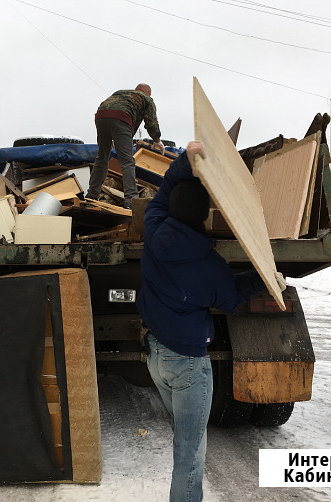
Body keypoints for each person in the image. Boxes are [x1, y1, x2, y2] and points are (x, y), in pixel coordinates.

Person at [136, 141, 285, 502]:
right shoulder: (210, 267)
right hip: (188, 366)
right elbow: (232, 298)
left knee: (185, 438)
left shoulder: (153, 231)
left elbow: (165, 192)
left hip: (156, 357)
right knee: (190, 451)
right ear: (205, 216)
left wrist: (187, 160)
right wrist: (266, 278)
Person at [86, 84, 164, 209]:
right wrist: (157, 140)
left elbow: (112, 111)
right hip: (120, 118)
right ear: (148, 93)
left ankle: (91, 194)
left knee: (101, 158)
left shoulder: (123, 93)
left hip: (101, 116)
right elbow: (151, 123)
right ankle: (131, 199)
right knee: (127, 161)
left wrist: (114, 136)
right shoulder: (147, 99)